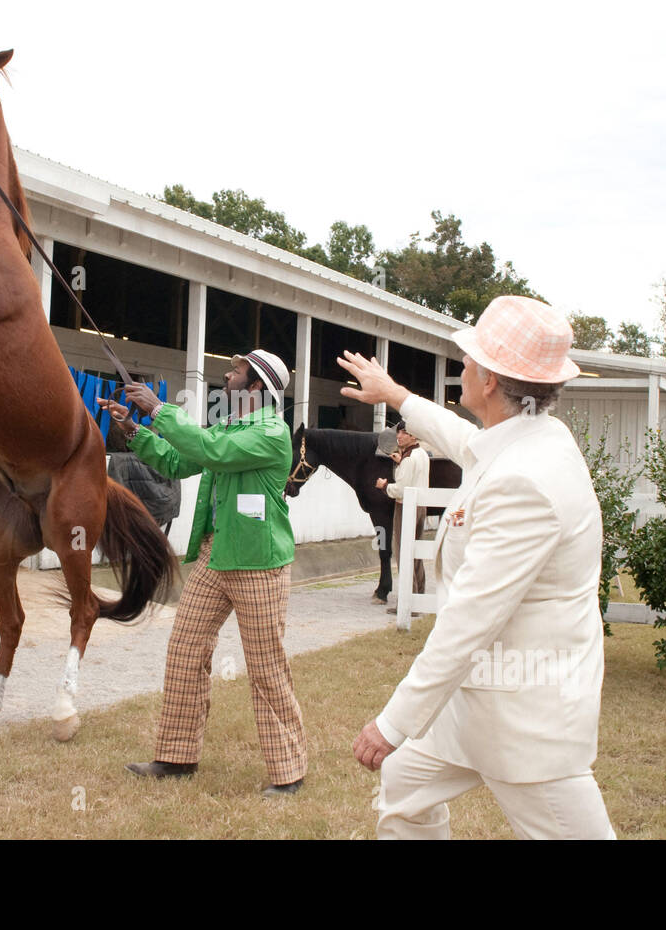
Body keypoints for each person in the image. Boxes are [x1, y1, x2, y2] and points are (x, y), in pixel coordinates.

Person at [341, 295, 615, 839]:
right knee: (406, 783)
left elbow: (471, 619)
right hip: (480, 702)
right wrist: (397, 395)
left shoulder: (526, 480)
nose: (460, 367)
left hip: (526, 719)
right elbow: (466, 441)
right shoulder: (530, 442)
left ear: (489, 379)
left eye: (467, 359)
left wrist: (393, 722)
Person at [97, 349, 306, 795]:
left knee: (266, 667)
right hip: (216, 554)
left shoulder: (271, 432)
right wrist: (135, 430)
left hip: (258, 564)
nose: (227, 375)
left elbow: (209, 450)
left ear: (255, 387)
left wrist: (158, 408)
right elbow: (180, 461)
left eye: (236, 371)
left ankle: (288, 774)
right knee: (185, 650)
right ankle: (176, 757)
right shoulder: (232, 425)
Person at [377, 420, 429, 612]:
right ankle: (419, 596)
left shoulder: (408, 460)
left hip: (406, 507)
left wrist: (384, 486)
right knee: (416, 554)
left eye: (404, 433)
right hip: (421, 506)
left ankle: (407, 604)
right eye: (399, 433)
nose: (399, 436)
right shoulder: (421, 454)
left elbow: (399, 490)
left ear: (413, 436)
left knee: (403, 554)